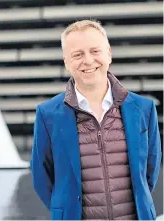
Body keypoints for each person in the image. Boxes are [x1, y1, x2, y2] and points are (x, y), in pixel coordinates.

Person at [30, 19, 162, 220]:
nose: (88, 60)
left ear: (109, 53)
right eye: (77, 54)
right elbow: (42, 178)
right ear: (66, 62)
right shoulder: (48, 115)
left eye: (95, 51)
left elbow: (149, 173)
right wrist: (65, 209)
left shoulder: (143, 108)